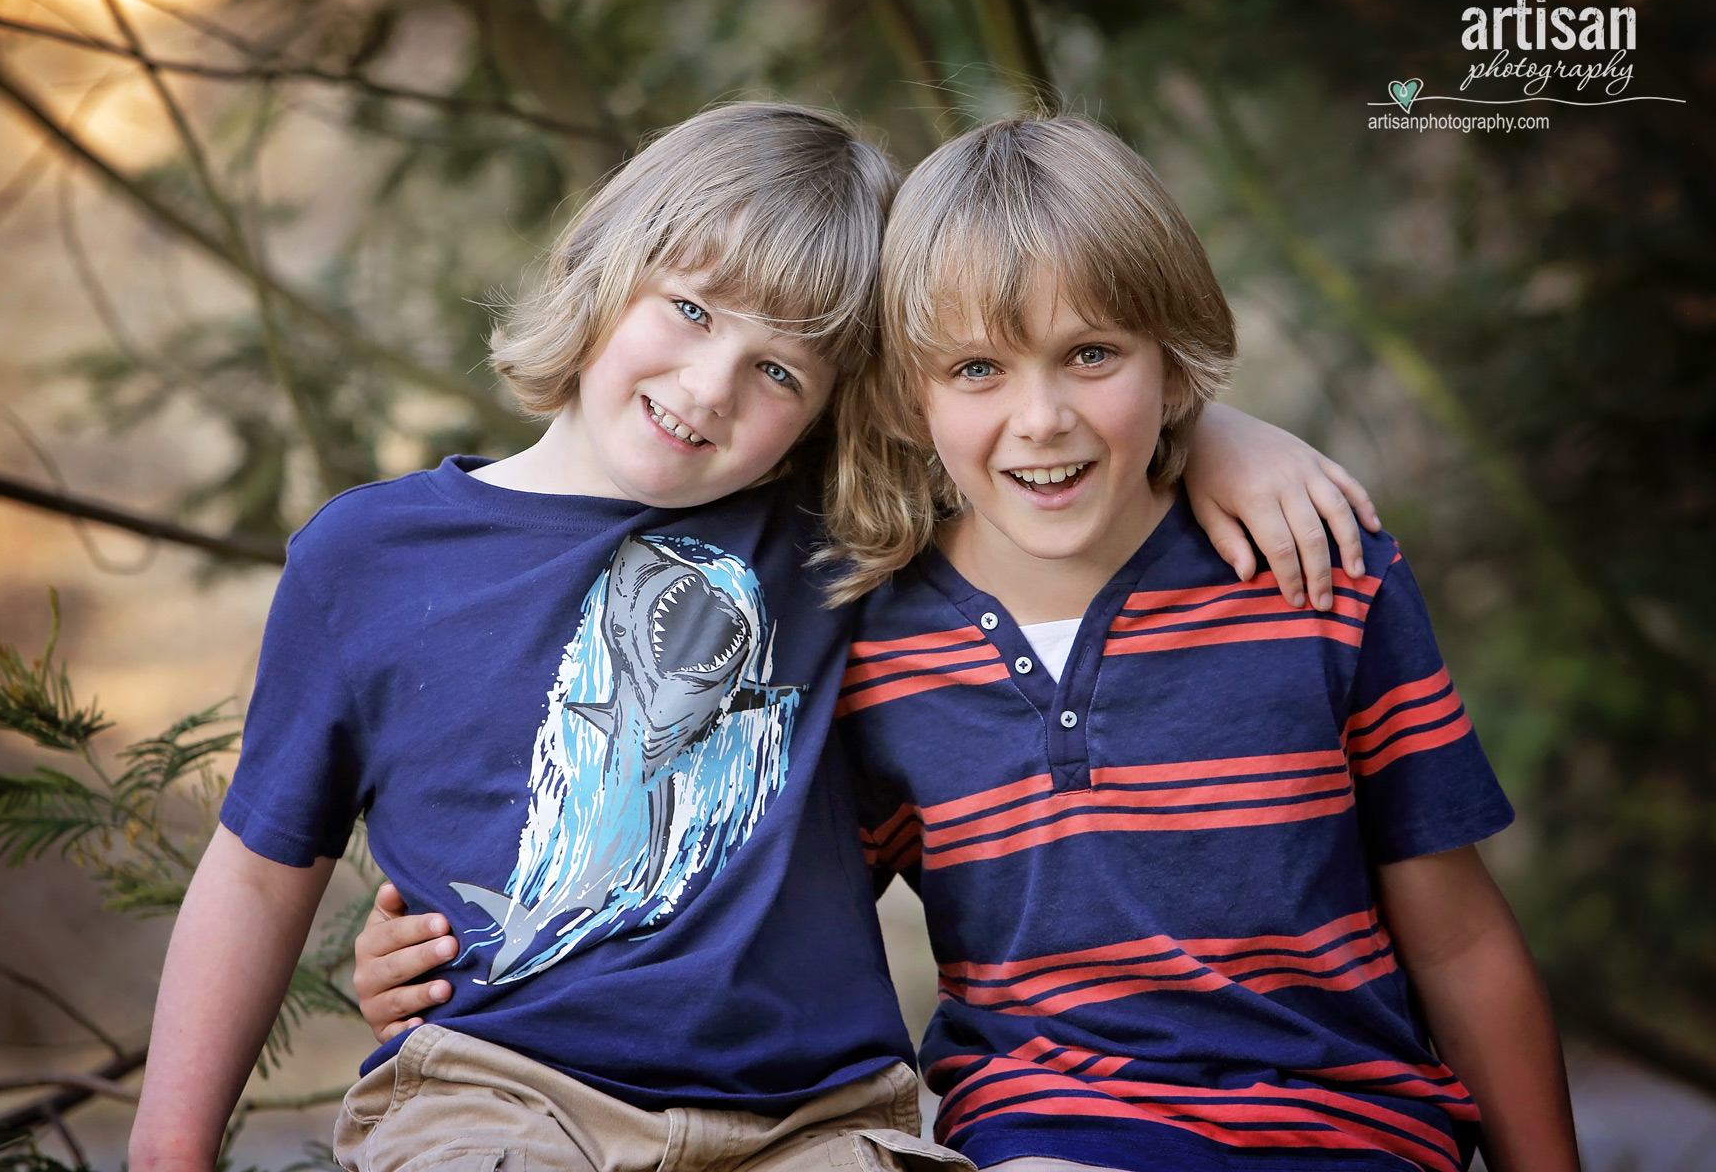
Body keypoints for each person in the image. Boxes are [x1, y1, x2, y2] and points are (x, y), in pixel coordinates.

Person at [140, 101, 1374, 1172]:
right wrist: (172, 1148)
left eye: (783, 371)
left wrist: (1209, 430)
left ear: (837, 410)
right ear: (600, 267)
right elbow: (258, 870)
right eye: (688, 307)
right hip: (503, 1093)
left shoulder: (844, 539)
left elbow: (1036, 430)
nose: (715, 384)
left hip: (814, 1120)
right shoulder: (371, 558)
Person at [821, 117, 1579, 1172]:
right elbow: (786, 939)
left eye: (1091, 355)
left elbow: (1459, 939)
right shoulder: (867, 650)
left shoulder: (1320, 574)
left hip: (1349, 1133)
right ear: (909, 397)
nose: (1041, 417)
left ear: (1174, 367)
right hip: (1051, 1135)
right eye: (978, 368)